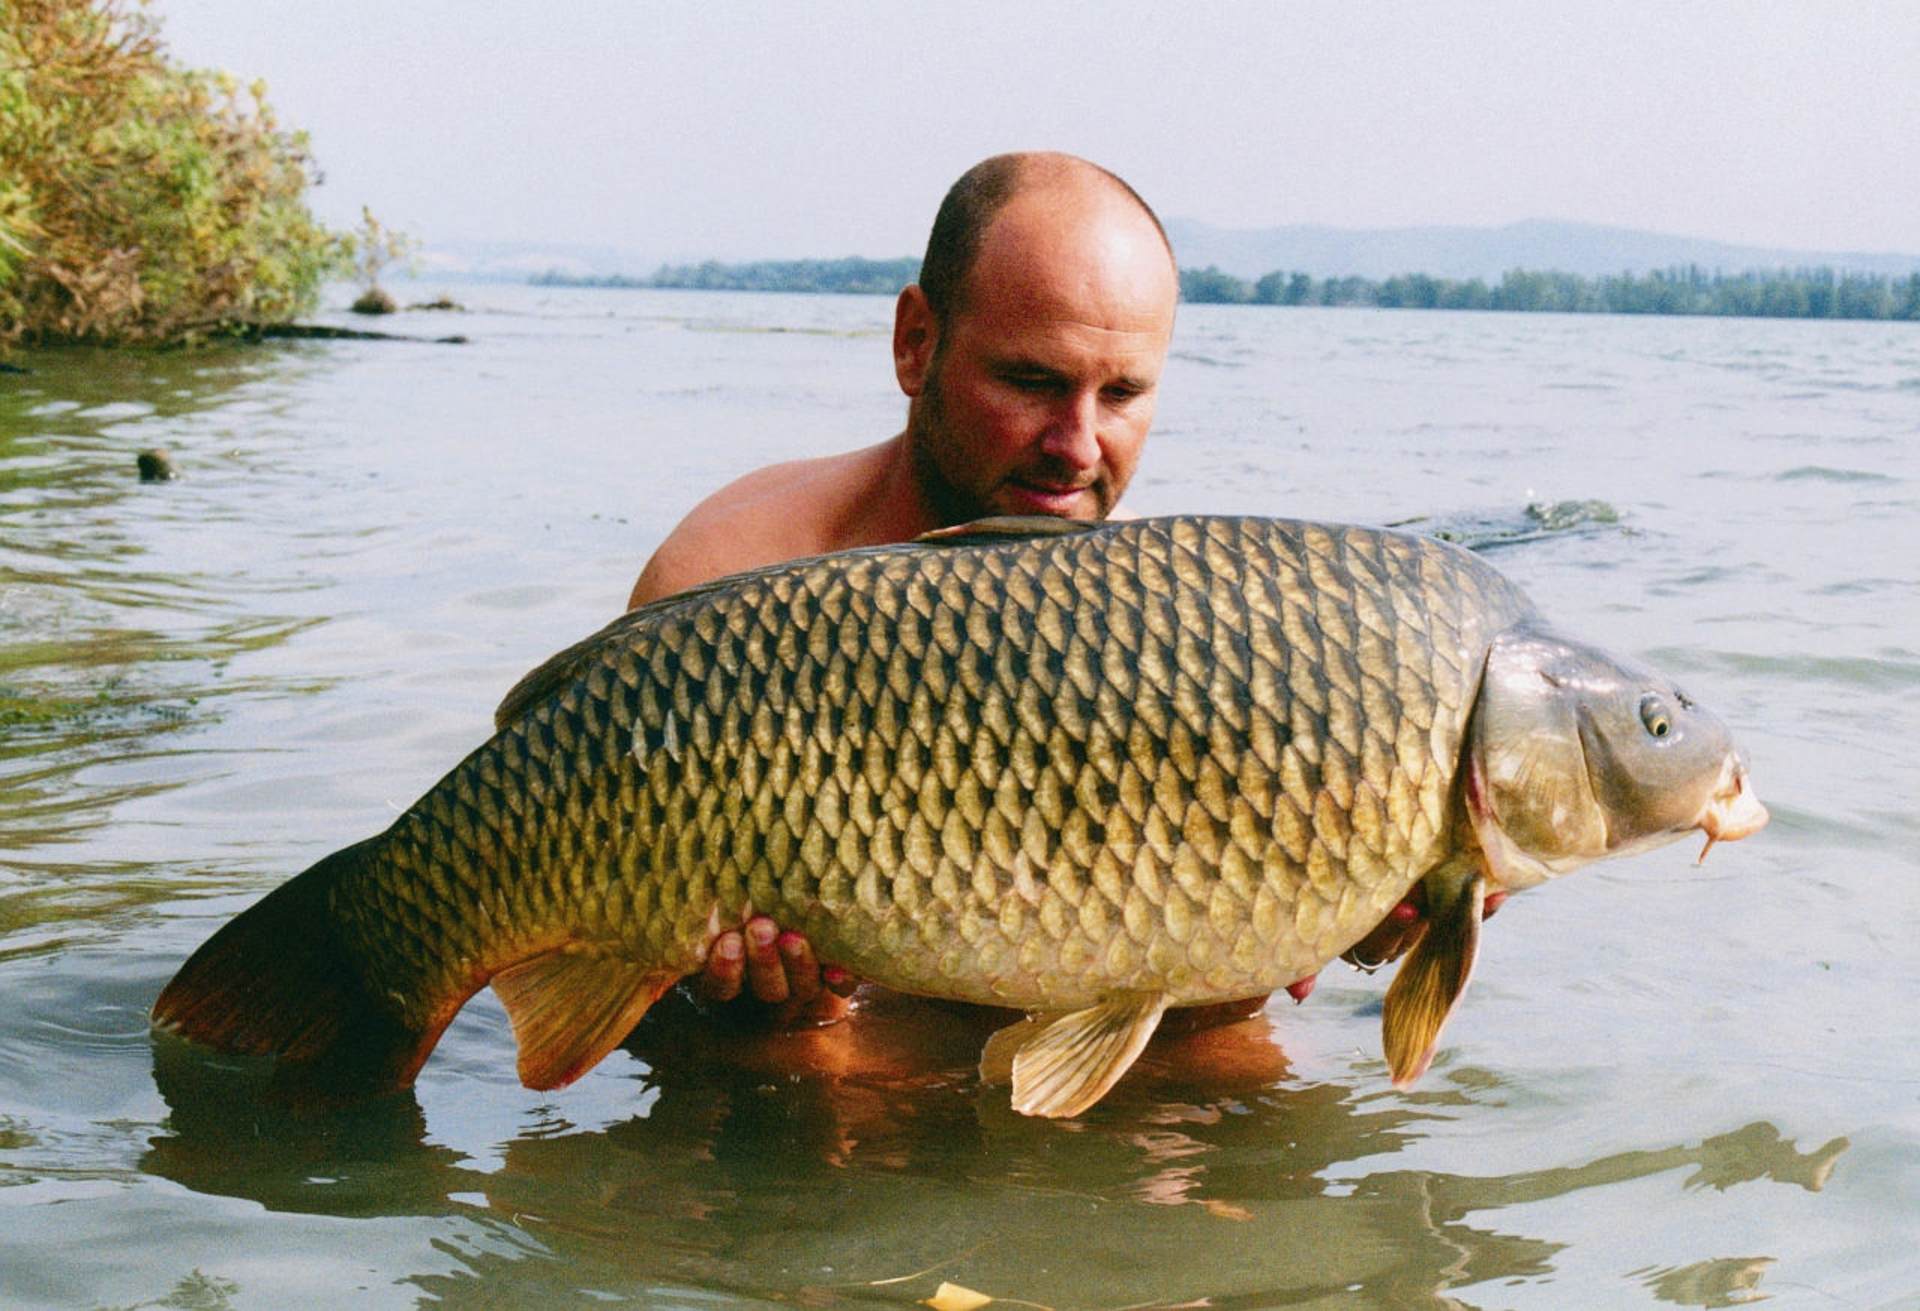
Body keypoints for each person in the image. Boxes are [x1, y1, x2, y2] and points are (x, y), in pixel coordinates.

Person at [631, 151, 1466, 1032]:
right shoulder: (726, 592)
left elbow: (1229, 941)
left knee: (1239, 1083)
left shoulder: (1198, 623)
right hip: (836, 1078)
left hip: (1123, 1059)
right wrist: (733, 1005)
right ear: (916, 342)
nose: (1077, 445)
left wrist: (1370, 923)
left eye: (1122, 394)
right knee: (817, 1079)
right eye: (1032, 382)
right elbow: (614, 1000)